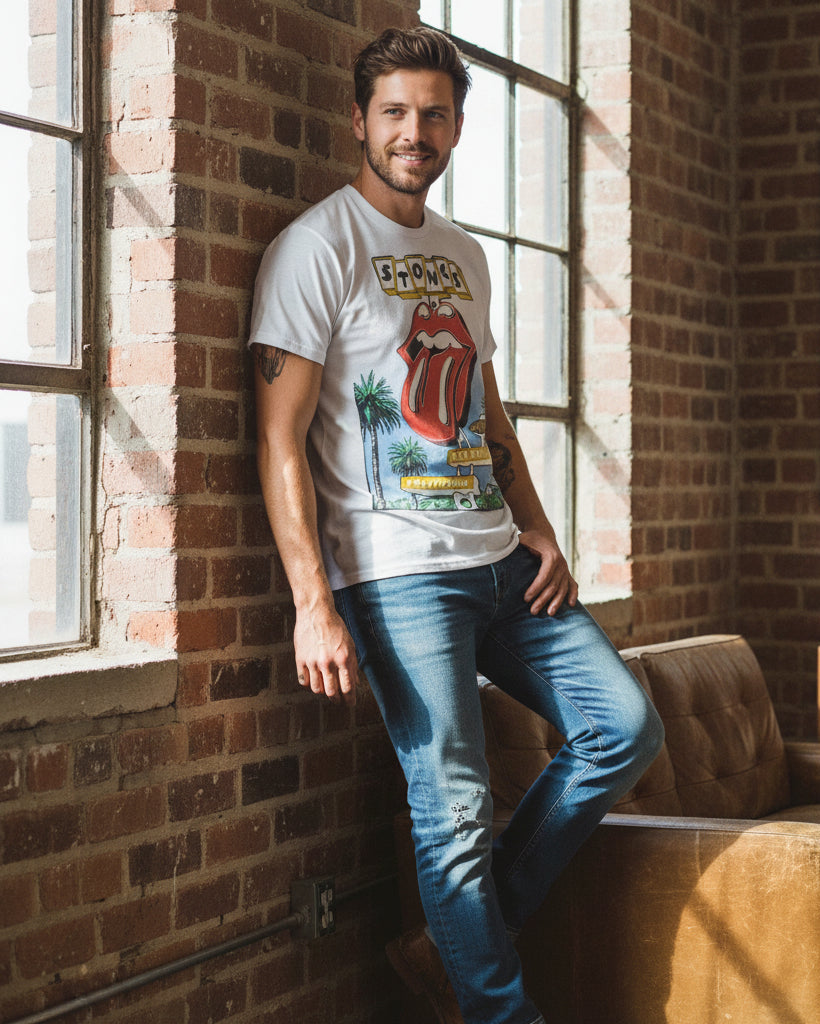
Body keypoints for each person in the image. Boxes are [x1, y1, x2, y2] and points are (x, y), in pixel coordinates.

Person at [249, 25, 664, 1024]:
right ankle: (495, 1007)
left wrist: (543, 530)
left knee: (623, 724)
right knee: (455, 809)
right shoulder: (316, 247)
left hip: (499, 561)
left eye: (433, 112)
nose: (414, 130)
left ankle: (457, 942)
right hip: (397, 576)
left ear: (457, 127)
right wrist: (314, 605)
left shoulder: (461, 254)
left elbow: (485, 409)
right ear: (360, 120)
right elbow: (278, 440)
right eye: (394, 110)